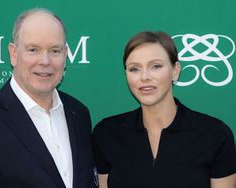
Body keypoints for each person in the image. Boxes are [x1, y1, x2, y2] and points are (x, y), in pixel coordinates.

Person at [0, 8, 98, 188]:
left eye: (54, 50)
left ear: (65, 54)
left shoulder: (79, 114)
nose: (45, 61)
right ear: (14, 54)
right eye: (33, 50)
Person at [92, 31, 236, 188]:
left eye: (155, 66)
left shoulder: (215, 134)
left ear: (175, 70)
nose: (144, 77)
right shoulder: (107, 133)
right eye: (134, 69)